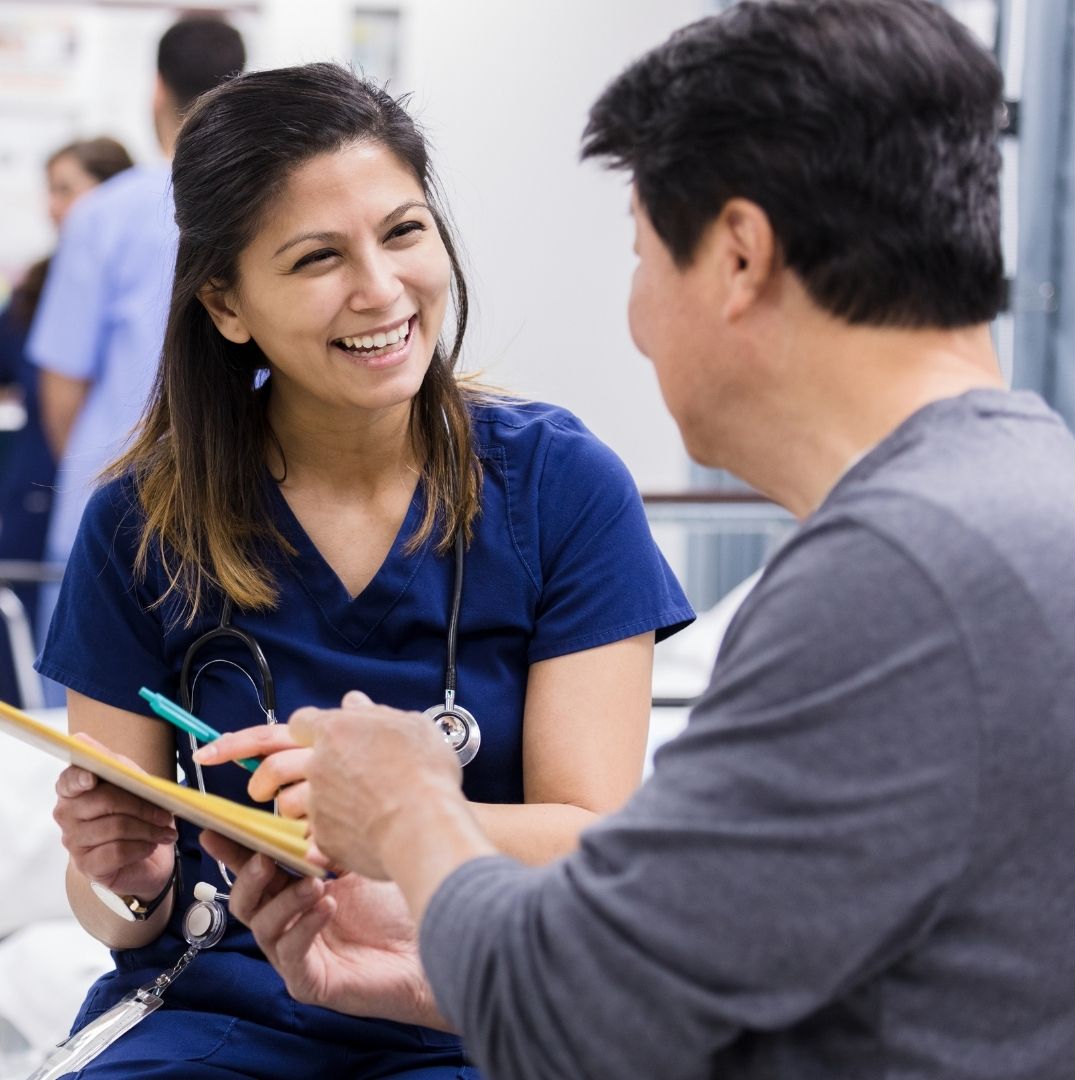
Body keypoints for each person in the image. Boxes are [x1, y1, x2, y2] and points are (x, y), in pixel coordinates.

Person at [200, 2, 1075, 1078]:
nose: (635, 316)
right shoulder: (1028, 499)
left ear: (740, 257)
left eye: (642, 255)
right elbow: (716, 970)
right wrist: (423, 977)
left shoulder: (897, 578)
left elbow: (595, 1016)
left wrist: (411, 809)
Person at [41, 61, 693, 1078]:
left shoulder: (559, 490)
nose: (382, 290)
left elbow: (592, 848)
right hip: (214, 1013)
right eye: (315, 259)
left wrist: (388, 813)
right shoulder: (140, 524)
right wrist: (129, 878)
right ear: (226, 301)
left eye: (404, 232)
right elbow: (121, 922)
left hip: (475, 1009)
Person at [27, 17, 245, 700]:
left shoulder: (103, 215)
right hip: (237, 514)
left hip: (105, 512)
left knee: (85, 758)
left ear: (156, 90)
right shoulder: (259, 211)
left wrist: (105, 471)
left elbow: (62, 386)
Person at [0, 137, 133, 704]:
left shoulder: (123, 251)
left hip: (87, 481)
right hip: (37, 485)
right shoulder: (34, 286)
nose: (55, 206)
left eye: (67, 188)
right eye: (49, 190)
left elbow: (65, 389)